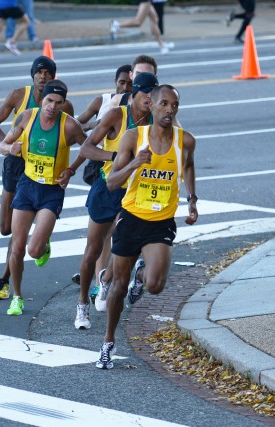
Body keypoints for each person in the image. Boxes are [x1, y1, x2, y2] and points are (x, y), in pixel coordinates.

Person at [95, 84, 198, 369]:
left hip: (161, 221)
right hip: (131, 218)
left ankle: (142, 277)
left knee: (155, 285)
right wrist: (135, 165)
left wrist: (191, 199)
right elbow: (112, 182)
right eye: (164, 104)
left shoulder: (185, 141)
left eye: (174, 105)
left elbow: (188, 166)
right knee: (117, 286)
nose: (169, 110)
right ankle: (107, 342)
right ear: (151, 105)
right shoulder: (133, 138)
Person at [72, 72, 157, 330]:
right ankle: (82, 304)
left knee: (127, 247)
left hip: (134, 194)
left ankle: (106, 279)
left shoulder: (157, 121)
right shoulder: (116, 115)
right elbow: (86, 148)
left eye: (154, 96)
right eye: (146, 95)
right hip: (106, 189)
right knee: (92, 251)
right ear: (134, 94)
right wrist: (117, 158)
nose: (150, 101)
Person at [0, 56, 74, 302]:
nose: (43, 76)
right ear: (33, 75)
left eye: (48, 73)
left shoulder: (63, 106)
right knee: (6, 228)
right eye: (39, 72)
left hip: (44, 175)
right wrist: (10, 144)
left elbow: (70, 133)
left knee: (20, 238)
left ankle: (5, 280)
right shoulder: (19, 96)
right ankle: (41, 237)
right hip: (17, 165)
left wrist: (68, 169)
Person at [0, 80, 86, 316]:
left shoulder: (70, 126)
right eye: (48, 101)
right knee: (17, 248)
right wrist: (11, 149)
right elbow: (2, 145)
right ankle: (16, 297)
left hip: (51, 191)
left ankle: (43, 243)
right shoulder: (26, 118)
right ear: (42, 100)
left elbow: (88, 148)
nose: (52, 107)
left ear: (63, 104)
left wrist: (71, 170)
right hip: (27, 186)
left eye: (58, 103)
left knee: (34, 251)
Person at [77, 64, 133, 133]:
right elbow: (73, 126)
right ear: (115, 82)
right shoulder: (101, 101)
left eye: (130, 84)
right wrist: (90, 125)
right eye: (122, 83)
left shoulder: (139, 105)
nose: (125, 87)